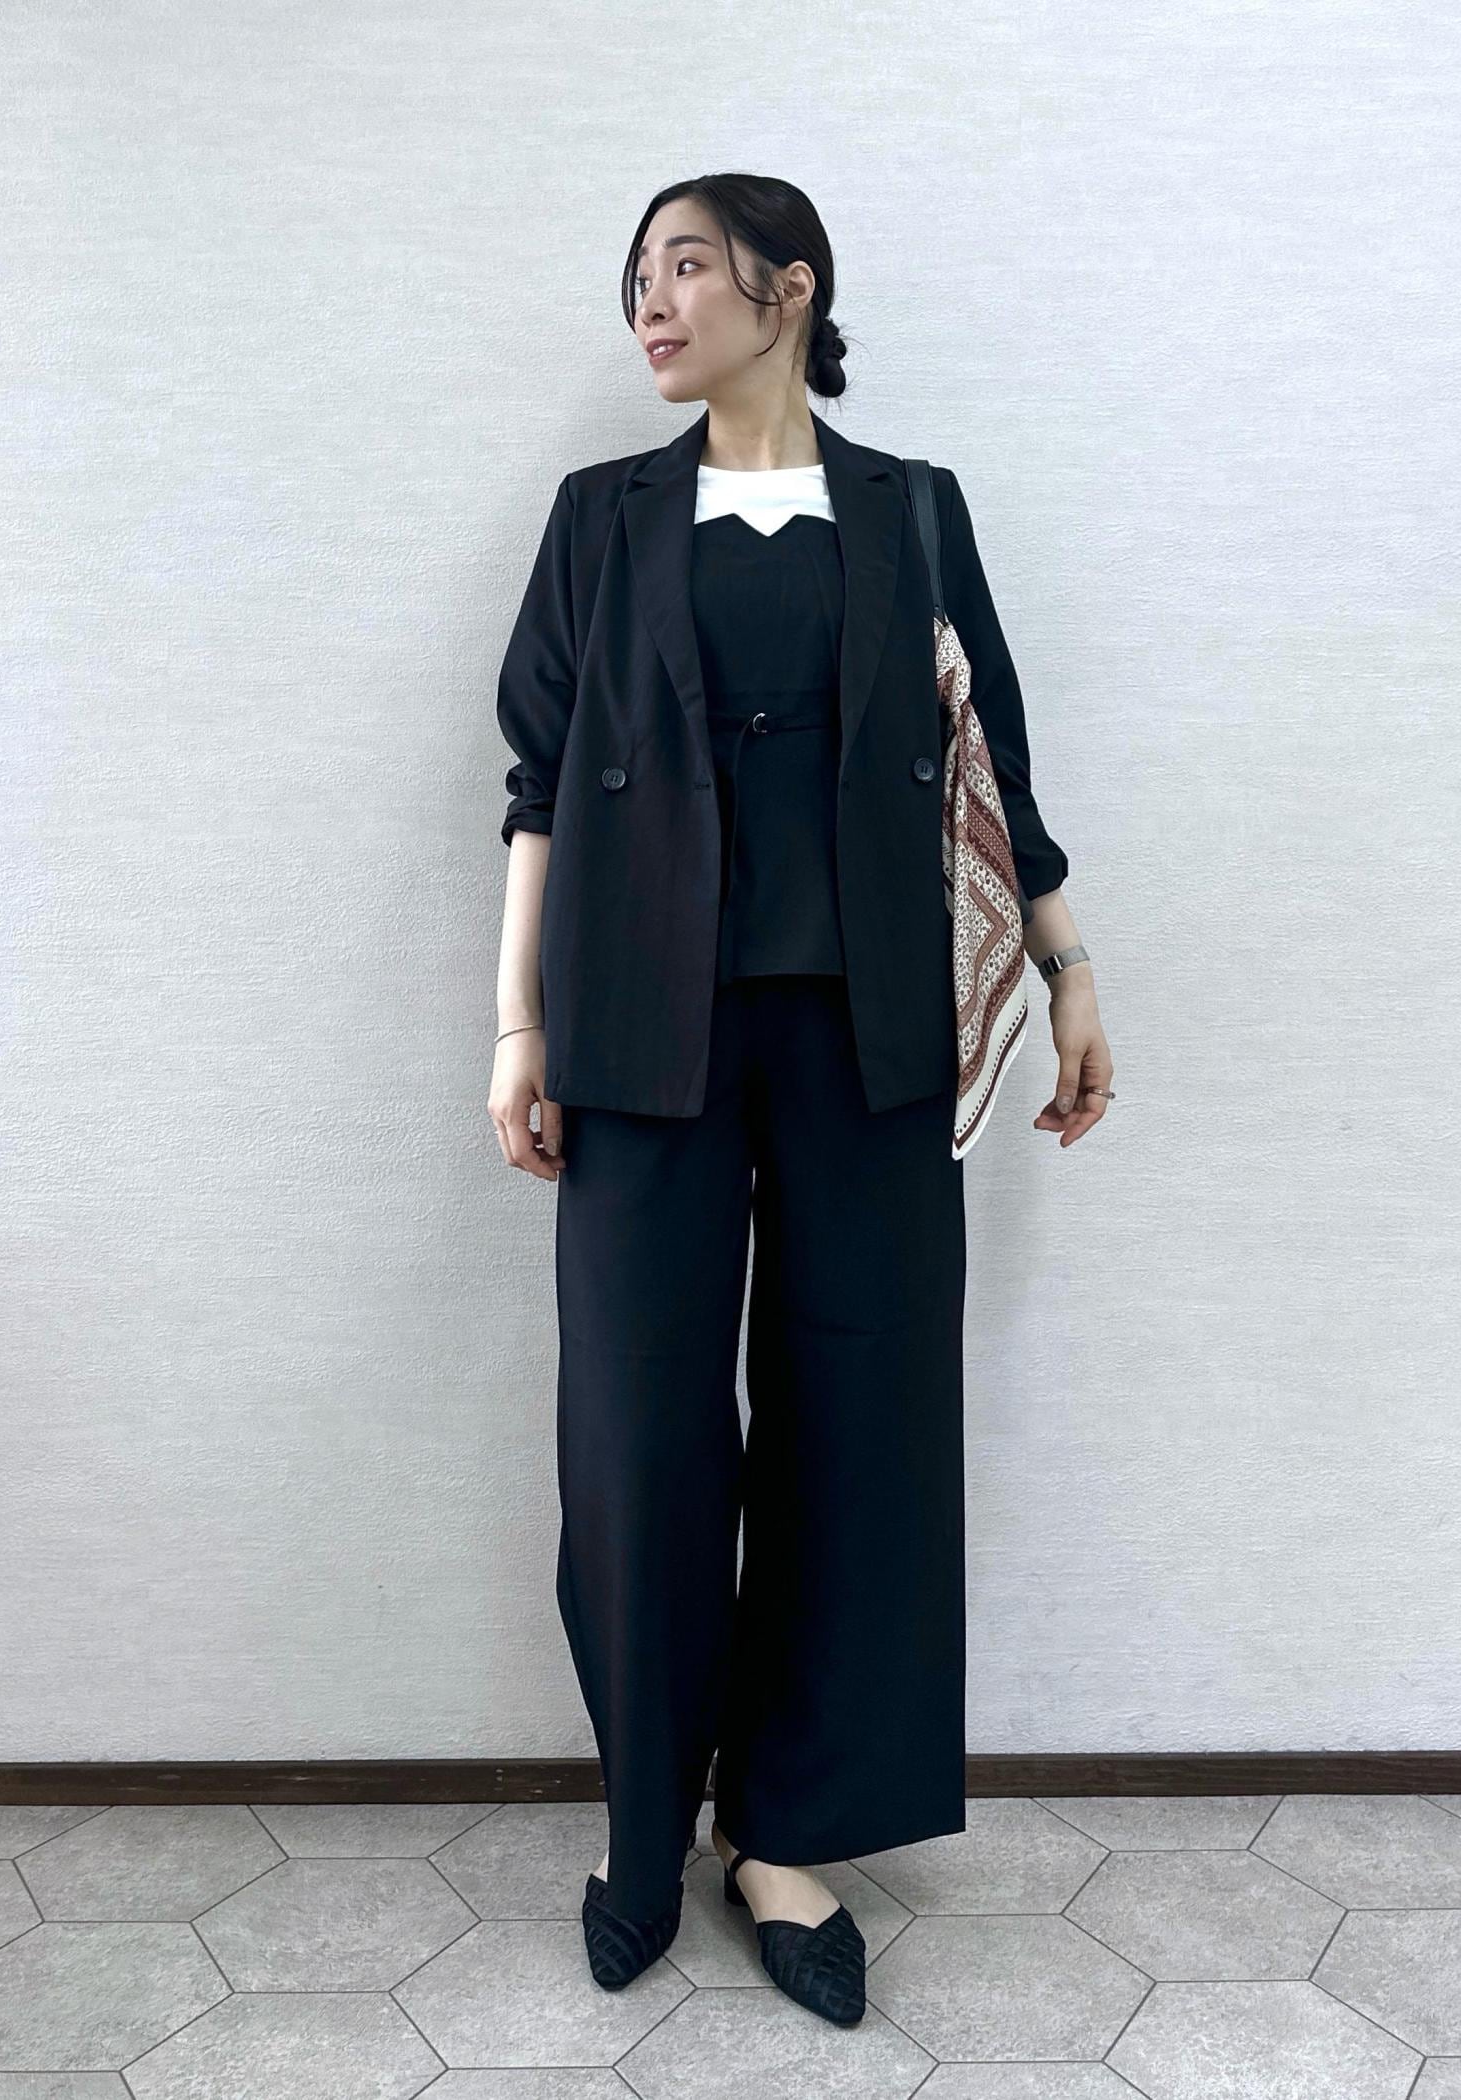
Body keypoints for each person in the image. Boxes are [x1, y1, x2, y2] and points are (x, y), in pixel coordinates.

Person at [487, 172, 1115, 2028]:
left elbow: (992, 755)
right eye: (637, 277)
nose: (651, 303)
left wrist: (1071, 970)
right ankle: (645, 1822)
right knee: (638, 1434)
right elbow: (538, 777)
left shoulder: (912, 509)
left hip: (872, 1039)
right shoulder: (602, 518)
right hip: (635, 1034)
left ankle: (787, 1833)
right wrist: (513, 1029)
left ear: (790, 289)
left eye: (686, 266)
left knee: (864, 1428)